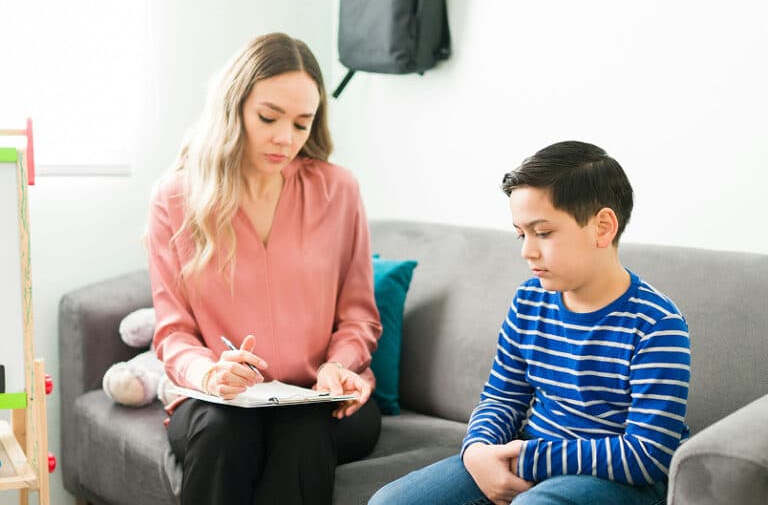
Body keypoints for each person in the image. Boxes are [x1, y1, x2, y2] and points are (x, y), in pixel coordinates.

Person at [369, 141, 691, 505]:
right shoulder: (528, 301)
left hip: (619, 482)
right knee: (390, 502)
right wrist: (477, 452)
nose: (527, 251)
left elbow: (646, 456)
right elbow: (502, 397)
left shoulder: (657, 325)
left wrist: (524, 458)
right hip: (529, 454)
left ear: (602, 227)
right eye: (521, 234)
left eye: (544, 232)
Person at [147, 32, 383, 505]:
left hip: (323, 398)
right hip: (216, 398)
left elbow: (359, 317)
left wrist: (338, 367)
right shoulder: (176, 198)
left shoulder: (338, 191)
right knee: (223, 431)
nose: (285, 139)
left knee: (300, 429)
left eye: (301, 123)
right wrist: (211, 372)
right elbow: (173, 334)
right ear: (233, 109)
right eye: (269, 117)